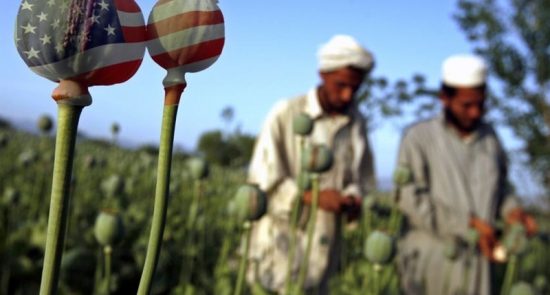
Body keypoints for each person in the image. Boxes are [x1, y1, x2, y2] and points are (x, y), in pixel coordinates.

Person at [395, 54, 537, 295]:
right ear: (444, 98)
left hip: (479, 264)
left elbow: (501, 189)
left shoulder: (490, 139)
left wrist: (513, 212)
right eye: (466, 105)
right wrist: (469, 225)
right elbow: (409, 199)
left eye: (481, 104)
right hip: (431, 262)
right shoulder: (418, 137)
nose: (475, 113)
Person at [245, 35, 376, 294]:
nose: (347, 94)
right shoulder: (287, 113)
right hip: (279, 248)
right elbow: (261, 181)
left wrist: (351, 199)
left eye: (355, 88)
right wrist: (311, 197)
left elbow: (361, 179)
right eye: (341, 85)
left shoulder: (356, 122)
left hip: (324, 251)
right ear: (322, 74)